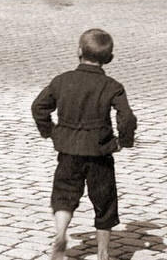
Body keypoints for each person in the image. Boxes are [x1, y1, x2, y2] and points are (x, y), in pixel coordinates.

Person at [32, 29, 137, 260]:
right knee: (104, 201)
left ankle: (60, 233)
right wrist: (124, 141)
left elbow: (39, 107)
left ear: (79, 51)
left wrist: (51, 132)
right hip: (99, 152)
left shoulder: (62, 81)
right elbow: (127, 117)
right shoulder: (112, 86)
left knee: (64, 194)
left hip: (68, 151)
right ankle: (103, 251)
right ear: (109, 58)